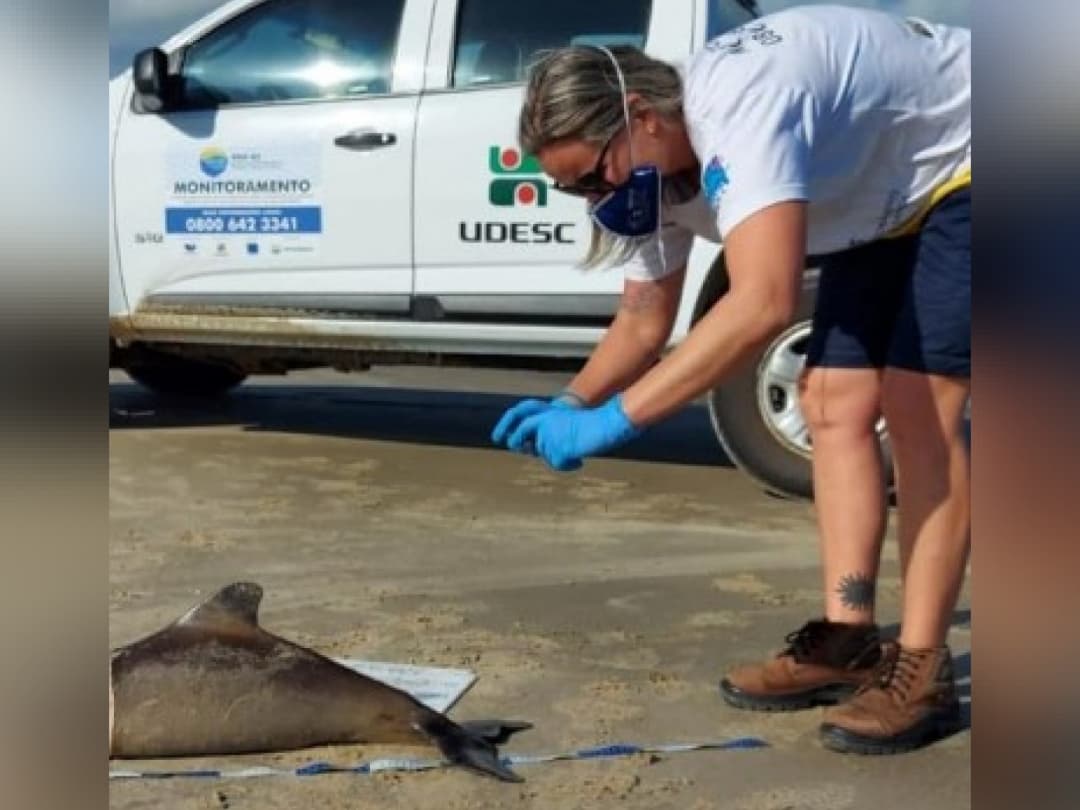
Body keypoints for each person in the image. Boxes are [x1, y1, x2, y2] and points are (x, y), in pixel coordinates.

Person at [491, 4, 970, 755]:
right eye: (572, 191)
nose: (594, 200)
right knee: (828, 399)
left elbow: (763, 302)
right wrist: (572, 399)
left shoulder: (738, 105)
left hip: (974, 151)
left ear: (640, 114)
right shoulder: (650, 174)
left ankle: (923, 670)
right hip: (888, 194)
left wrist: (619, 418)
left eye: (592, 175)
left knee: (917, 410)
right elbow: (645, 320)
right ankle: (848, 638)